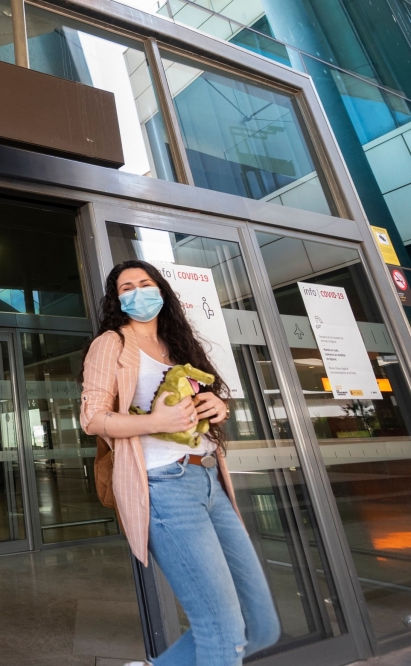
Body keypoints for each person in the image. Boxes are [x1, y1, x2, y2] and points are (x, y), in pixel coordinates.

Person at [80, 260, 280, 666]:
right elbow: (92, 418)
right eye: (126, 287)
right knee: (221, 632)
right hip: (164, 485)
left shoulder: (179, 342)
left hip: (208, 478)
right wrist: (157, 421)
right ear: (117, 299)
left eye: (145, 283)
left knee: (261, 627)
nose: (137, 292)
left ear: (162, 290)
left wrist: (217, 405)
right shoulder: (112, 344)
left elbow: (199, 400)